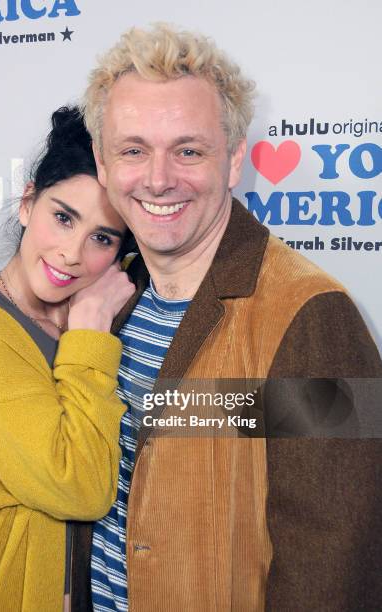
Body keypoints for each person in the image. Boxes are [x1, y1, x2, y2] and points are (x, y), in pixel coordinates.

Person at [72, 24, 381, 611]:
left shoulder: (314, 318)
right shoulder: (109, 301)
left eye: (189, 150)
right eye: (133, 150)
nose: (159, 179)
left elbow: (333, 566)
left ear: (235, 158)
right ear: (103, 164)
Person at [0, 106, 135, 611]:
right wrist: (87, 337)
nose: (71, 253)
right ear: (27, 203)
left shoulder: (111, 312)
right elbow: (77, 485)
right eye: (63, 217)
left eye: (102, 238)